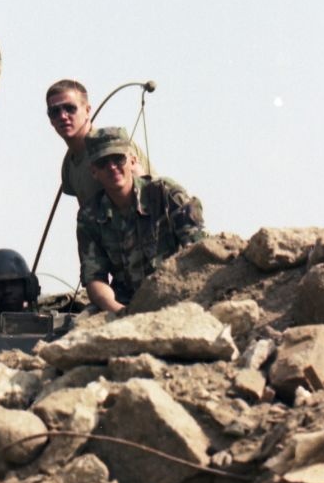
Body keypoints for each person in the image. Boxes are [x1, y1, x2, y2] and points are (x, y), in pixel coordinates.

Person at [76, 126, 206, 315]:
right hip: (125, 302)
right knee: (79, 326)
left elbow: (198, 253)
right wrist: (121, 312)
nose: (112, 167)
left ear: (132, 160)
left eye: (118, 159)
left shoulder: (166, 194)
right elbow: (95, 279)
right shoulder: (90, 216)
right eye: (103, 162)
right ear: (94, 171)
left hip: (175, 293)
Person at [45, 79, 152, 204]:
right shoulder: (69, 165)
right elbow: (86, 212)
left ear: (87, 111)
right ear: (50, 120)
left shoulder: (112, 145)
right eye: (55, 111)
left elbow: (147, 197)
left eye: (70, 108)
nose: (63, 116)